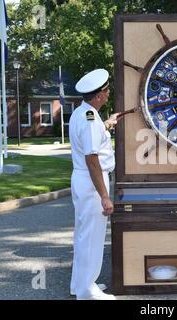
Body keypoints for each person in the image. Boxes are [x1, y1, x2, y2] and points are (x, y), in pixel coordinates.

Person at [69, 68, 119, 300]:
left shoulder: (84, 113)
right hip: (92, 181)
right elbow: (92, 159)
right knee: (91, 236)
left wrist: (107, 123)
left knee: (83, 234)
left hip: (83, 180)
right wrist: (104, 196)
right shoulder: (90, 119)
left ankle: (79, 284)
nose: (109, 94)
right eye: (107, 91)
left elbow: (93, 136)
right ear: (99, 95)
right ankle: (87, 290)